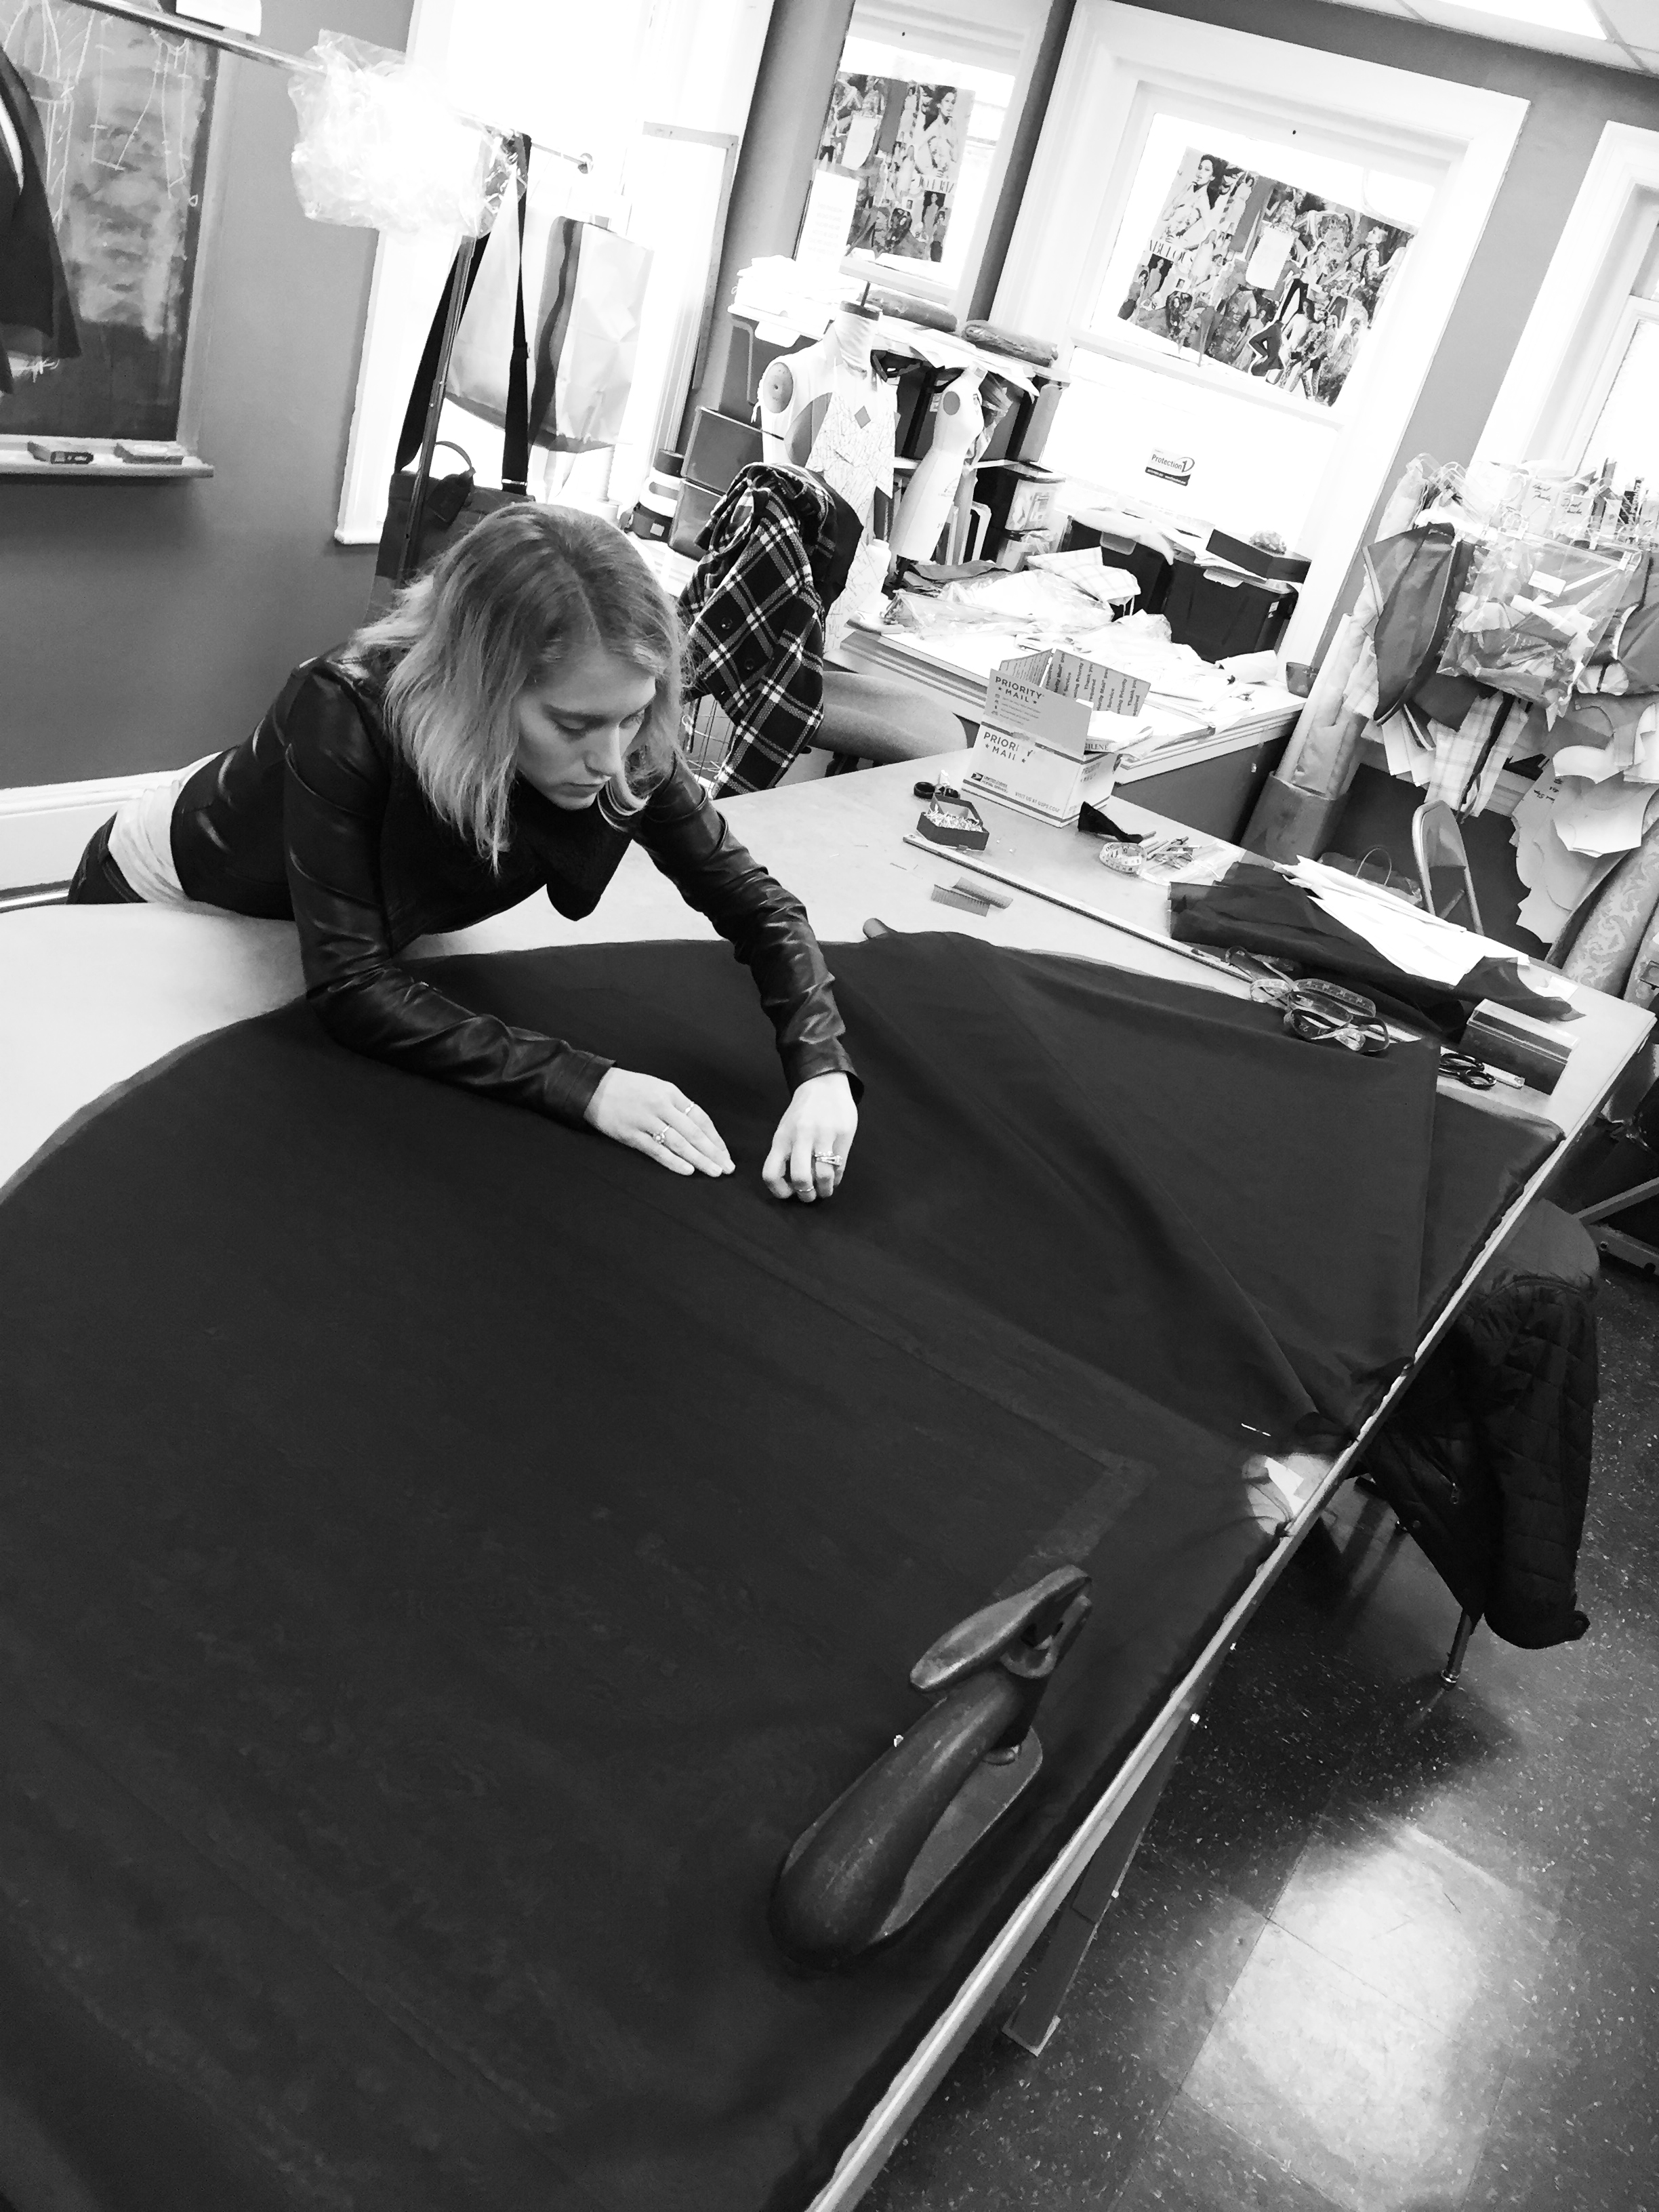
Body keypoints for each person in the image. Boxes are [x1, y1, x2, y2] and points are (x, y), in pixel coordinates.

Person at [65, 506, 861, 1203]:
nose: (611, 760)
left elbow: (758, 905)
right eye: (573, 725)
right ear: (479, 687)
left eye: (630, 718)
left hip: (339, 907)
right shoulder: (340, 709)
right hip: (173, 890)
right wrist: (587, 1085)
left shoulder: (619, 735)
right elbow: (352, 985)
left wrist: (822, 1070)